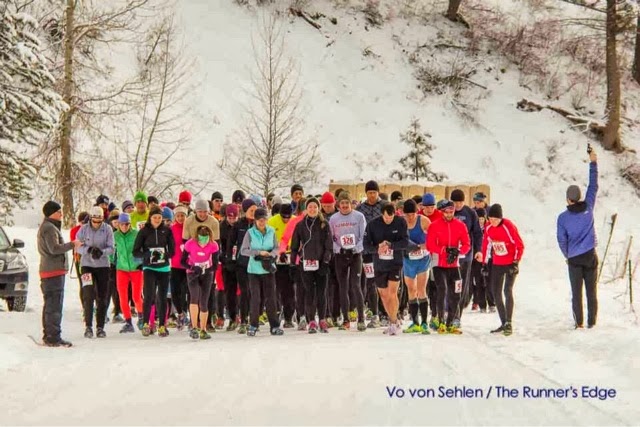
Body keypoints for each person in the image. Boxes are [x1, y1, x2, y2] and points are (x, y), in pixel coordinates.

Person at [557, 147, 599, 329]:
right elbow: (593, 185)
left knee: (576, 293)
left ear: (568, 199)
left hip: (574, 258)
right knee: (591, 291)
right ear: (580, 197)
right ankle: (592, 322)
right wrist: (593, 162)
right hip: (590, 255)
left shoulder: (563, 218)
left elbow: (561, 240)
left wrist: (568, 254)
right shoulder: (588, 207)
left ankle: (579, 323)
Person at [38, 201, 81, 347]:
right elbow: (54, 248)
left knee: (50, 304)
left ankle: (49, 334)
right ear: (51, 213)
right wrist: (72, 244)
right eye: (58, 212)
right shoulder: (49, 228)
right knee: (54, 305)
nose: (61, 214)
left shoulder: (48, 227)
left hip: (51, 271)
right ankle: (53, 337)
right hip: (52, 272)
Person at [363, 203, 409, 335]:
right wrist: (377, 248)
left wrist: (391, 245)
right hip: (379, 264)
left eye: (391, 217)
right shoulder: (372, 225)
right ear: (381, 214)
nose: (389, 220)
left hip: (395, 263)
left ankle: (393, 322)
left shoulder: (401, 222)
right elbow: (366, 245)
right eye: (386, 218)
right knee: (383, 294)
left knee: (392, 293)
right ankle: (392, 319)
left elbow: (405, 242)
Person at [426, 199, 471, 334]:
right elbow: (430, 245)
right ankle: (441, 322)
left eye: (452, 212)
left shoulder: (460, 225)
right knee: (442, 290)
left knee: (456, 293)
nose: (449, 214)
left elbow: (467, 244)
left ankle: (450, 322)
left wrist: (458, 251)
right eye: (447, 212)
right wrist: (444, 250)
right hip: (438, 264)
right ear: (442, 212)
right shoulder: (434, 225)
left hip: (454, 264)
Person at [290, 198, 333, 333]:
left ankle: (322, 319)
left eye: (315, 207)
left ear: (318, 209)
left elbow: (329, 245)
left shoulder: (324, 224)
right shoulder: (300, 225)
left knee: (321, 292)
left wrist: (325, 261)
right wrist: (293, 263)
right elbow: (294, 246)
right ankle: (311, 321)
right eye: (310, 207)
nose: (312, 209)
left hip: (321, 262)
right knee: (309, 292)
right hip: (306, 263)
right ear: (306, 209)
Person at [481, 204, 524, 336]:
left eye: (495, 219)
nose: (493, 222)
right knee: (496, 292)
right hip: (497, 263)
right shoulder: (488, 227)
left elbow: (519, 244)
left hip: (510, 263)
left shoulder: (508, 226)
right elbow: (486, 245)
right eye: (490, 219)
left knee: (507, 290)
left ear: (500, 218)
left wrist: (515, 261)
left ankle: (509, 322)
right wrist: (484, 263)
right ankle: (504, 322)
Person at [240, 208, 284, 337]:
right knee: (256, 298)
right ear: (255, 220)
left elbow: (276, 247)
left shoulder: (271, 231)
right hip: (254, 270)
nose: (262, 222)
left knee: (271, 298)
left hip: (268, 268)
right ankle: (253, 324)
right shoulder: (250, 232)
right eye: (259, 220)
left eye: (264, 219)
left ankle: (274, 325)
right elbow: (244, 250)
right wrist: (258, 253)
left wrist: (271, 254)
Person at [133, 206, 175, 337]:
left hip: (163, 268)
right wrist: (148, 255)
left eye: (159, 217)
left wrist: (163, 255)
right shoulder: (144, 231)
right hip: (149, 268)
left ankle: (162, 325)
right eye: (154, 217)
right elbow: (135, 251)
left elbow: (172, 251)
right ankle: (146, 323)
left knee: (162, 297)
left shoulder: (167, 230)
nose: (157, 220)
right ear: (150, 218)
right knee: (149, 295)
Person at [329, 191, 367, 331]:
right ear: (338, 204)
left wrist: (356, 248)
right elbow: (331, 238)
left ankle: (361, 318)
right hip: (341, 255)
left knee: (355, 285)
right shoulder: (333, 219)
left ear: (351, 203)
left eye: (347, 203)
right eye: (342, 203)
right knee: (342, 287)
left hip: (355, 255)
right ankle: (345, 319)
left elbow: (364, 236)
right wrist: (338, 249)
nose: (344, 205)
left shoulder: (359, 216)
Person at [76, 206, 115, 338]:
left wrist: (101, 252)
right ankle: (88, 326)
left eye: (99, 221)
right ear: (90, 219)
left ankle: (100, 327)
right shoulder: (84, 229)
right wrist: (88, 250)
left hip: (103, 266)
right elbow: (77, 245)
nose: (97, 224)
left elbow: (111, 248)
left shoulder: (107, 229)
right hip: (87, 266)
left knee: (102, 297)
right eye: (94, 221)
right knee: (88, 294)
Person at [450, 189, 483, 326]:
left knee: (461, 285)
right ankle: (448, 311)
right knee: (449, 284)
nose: (457, 205)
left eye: (460, 202)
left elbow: (478, 233)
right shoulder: (448, 211)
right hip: (449, 255)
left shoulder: (470, 213)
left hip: (465, 255)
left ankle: (457, 315)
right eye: (455, 202)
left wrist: (478, 250)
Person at [181, 225, 220, 340]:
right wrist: (192, 268)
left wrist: (206, 269)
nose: (203, 241)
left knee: (204, 301)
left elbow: (215, 264)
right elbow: (183, 261)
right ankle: (194, 326)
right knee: (194, 297)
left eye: (206, 237)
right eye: (201, 237)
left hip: (207, 274)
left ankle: (203, 328)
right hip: (192, 273)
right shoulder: (190, 243)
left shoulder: (213, 245)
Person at [401, 199, 432, 334]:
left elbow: (433, 237)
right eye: (407, 215)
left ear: (417, 212)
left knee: (421, 289)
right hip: (408, 260)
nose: (410, 217)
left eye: (412, 214)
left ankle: (424, 322)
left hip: (423, 259)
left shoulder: (424, 221)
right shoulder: (401, 223)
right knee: (411, 290)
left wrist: (426, 245)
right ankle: (415, 322)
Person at [357, 180, 385, 328]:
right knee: (371, 282)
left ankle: (386, 312)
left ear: (378, 192)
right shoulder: (360, 209)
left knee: (384, 283)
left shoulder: (385, 206)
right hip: (368, 251)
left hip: (384, 251)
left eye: (374, 192)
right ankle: (375, 313)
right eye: (369, 193)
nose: (372, 195)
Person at [226, 199, 257, 333]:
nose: (254, 213)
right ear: (245, 211)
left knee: (254, 292)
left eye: (255, 210)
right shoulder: (238, 225)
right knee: (244, 291)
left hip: (256, 263)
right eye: (251, 210)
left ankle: (253, 318)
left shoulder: (259, 224)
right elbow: (231, 243)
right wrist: (230, 259)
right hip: (242, 264)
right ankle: (243, 319)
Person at [113, 213, 143, 333]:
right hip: (122, 269)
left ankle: (141, 318)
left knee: (136, 296)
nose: (124, 226)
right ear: (118, 225)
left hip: (136, 268)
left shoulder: (136, 234)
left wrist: (141, 262)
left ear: (130, 224)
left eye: (127, 224)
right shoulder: (115, 235)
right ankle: (128, 322)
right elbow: (111, 249)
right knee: (123, 296)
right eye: (122, 224)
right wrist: (112, 261)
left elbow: (142, 248)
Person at [268, 203, 296, 328]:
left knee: (289, 290)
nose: (286, 219)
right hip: (276, 259)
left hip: (291, 258)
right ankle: (276, 314)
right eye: (283, 217)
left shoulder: (295, 221)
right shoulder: (272, 221)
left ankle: (289, 317)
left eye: (288, 217)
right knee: (275, 289)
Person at [220, 203, 240, 331]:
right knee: (229, 292)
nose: (232, 220)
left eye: (234, 218)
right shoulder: (221, 226)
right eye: (230, 218)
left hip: (241, 263)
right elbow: (218, 244)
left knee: (244, 291)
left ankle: (244, 316)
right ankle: (233, 317)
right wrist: (223, 258)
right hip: (227, 263)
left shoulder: (241, 225)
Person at [170, 206, 189, 329]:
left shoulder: (189, 228)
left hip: (187, 264)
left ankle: (185, 313)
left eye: (183, 215)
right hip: (175, 264)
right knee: (174, 292)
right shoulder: (171, 229)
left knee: (185, 291)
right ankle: (180, 313)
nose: (180, 218)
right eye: (178, 216)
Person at [70, 211, 89, 305]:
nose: (84, 224)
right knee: (84, 282)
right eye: (82, 222)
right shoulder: (75, 230)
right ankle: (85, 305)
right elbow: (75, 243)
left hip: (91, 260)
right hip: (80, 259)